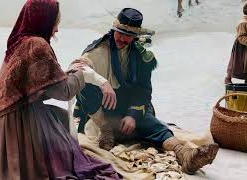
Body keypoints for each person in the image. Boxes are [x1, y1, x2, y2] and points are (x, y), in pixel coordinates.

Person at [0, 0, 121, 179]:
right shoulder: (37, 45)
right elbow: (64, 92)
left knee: (58, 117)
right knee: (61, 138)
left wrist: (67, 75)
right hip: (12, 122)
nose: (56, 29)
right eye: (54, 22)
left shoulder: (18, 40)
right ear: (43, 20)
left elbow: (37, 85)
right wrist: (81, 72)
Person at [70, 8, 219, 175]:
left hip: (126, 106)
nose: (122, 38)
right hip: (103, 109)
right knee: (83, 85)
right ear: (113, 29)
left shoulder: (141, 56)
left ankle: (185, 155)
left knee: (148, 121)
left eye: (128, 35)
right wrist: (103, 82)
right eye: (119, 32)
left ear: (135, 36)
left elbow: (143, 91)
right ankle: (106, 131)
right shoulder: (98, 50)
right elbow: (76, 69)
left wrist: (132, 115)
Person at [225, 2, 247, 84]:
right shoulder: (243, 23)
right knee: (236, 63)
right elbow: (241, 36)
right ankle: (228, 78)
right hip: (241, 47)